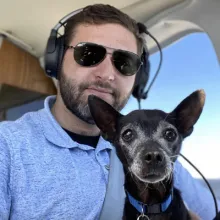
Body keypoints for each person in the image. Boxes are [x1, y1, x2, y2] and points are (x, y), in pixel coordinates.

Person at [0, 3, 219, 220]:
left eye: (125, 62)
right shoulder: (7, 147)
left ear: (138, 79)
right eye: (88, 54)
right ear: (56, 60)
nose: (106, 74)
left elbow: (210, 213)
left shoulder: (161, 157)